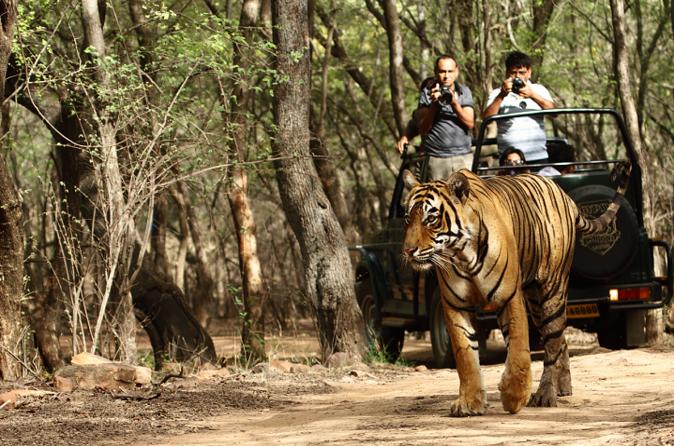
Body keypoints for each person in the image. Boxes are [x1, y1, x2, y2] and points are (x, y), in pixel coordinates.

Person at [396, 55, 475, 180]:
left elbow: (470, 123)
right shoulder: (427, 93)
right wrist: (434, 104)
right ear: (436, 72)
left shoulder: (464, 92)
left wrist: (454, 102)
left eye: (450, 71)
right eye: (442, 71)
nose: (446, 76)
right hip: (436, 159)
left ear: (456, 72)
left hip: (463, 157)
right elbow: (422, 128)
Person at [482, 51, 555, 165]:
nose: (517, 77)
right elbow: (486, 118)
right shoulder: (497, 93)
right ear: (507, 73)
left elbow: (555, 113)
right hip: (509, 159)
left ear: (529, 72)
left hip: (537, 157)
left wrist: (533, 95)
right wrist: (502, 95)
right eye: (513, 73)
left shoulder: (539, 89)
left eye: (521, 72)